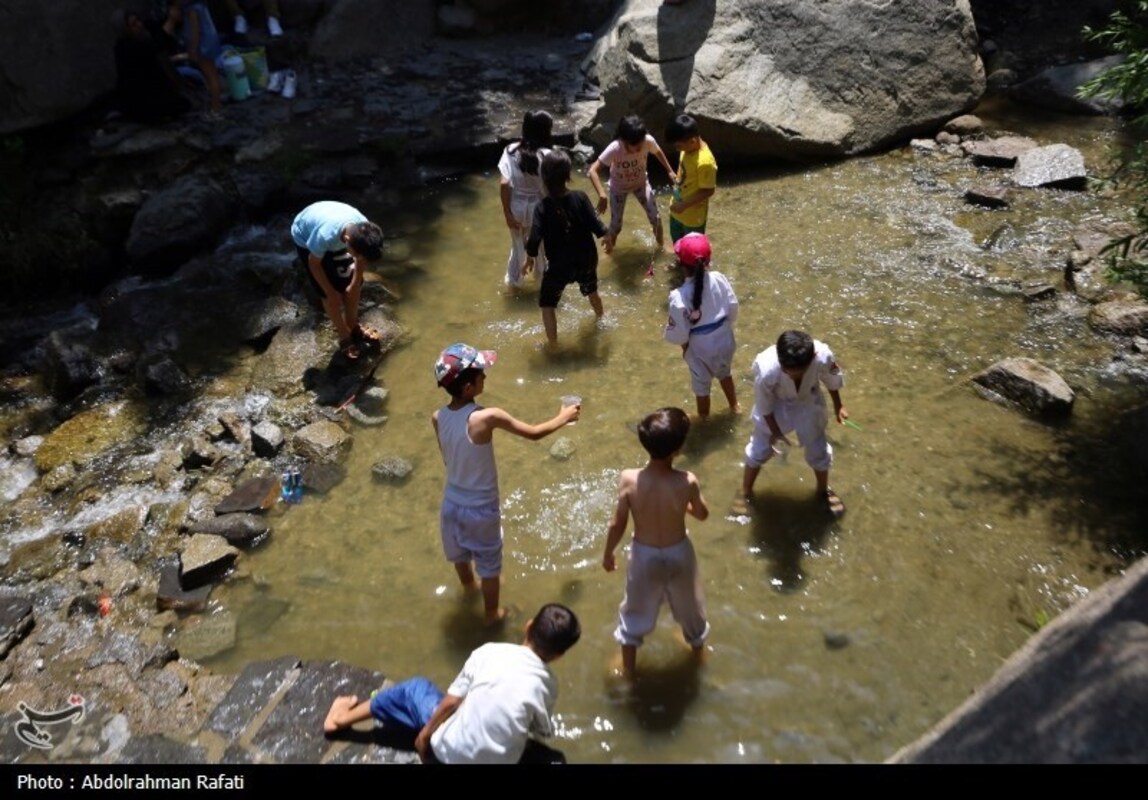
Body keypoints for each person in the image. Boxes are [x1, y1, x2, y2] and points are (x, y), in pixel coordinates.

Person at [431, 344, 580, 624]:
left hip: (451, 504)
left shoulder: (438, 417)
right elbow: (534, 434)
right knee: (489, 567)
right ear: (466, 387)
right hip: (481, 509)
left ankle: (468, 589)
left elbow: (448, 461)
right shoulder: (488, 417)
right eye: (480, 374)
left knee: (460, 555)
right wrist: (563, 417)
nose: (485, 377)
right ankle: (492, 614)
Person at [323, 603, 581, 764]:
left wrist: (424, 737)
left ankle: (340, 719)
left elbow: (451, 701)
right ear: (559, 655)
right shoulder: (549, 684)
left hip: (444, 756)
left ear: (528, 627)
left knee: (416, 688)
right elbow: (540, 730)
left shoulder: (490, 652)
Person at [603, 407, 710, 679]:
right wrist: (682, 506)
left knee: (635, 609)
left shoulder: (629, 479)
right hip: (679, 553)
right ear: (679, 448)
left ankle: (628, 670)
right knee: (690, 606)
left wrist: (608, 553)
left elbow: (617, 523)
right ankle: (698, 656)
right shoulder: (687, 481)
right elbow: (702, 514)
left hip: (644, 555)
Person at [738, 330, 849, 518]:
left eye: (799, 373)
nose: (793, 377)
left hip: (807, 400)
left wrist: (839, 405)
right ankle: (745, 491)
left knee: (818, 449)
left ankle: (823, 491)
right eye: (787, 372)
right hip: (777, 403)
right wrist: (775, 432)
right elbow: (764, 406)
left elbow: (831, 381)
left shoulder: (822, 356)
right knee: (759, 449)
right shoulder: (767, 369)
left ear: (813, 357)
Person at [525, 150, 609, 346]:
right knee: (592, 291)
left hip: (559, 266)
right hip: (586, 259)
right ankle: (601, 320)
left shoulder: (542, 207)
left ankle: (553, 345)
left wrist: (529, 257)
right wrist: (606, 237)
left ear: (543, 177)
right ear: (568, 175)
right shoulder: (580, 197)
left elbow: (535, 237)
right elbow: (596, 224)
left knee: (547, 304)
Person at [290, 201, 385, 361]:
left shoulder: (364, 228)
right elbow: (314, 263)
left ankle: (353, 326)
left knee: (351, 285)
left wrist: (355, 283)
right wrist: (329, 291)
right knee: (329, 293)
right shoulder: (324, 236)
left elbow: (360, 259)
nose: (359, 258)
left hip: (332, 223)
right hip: (305, 236)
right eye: (357, 254)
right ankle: (343, 333)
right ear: (346, 240)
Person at [663, 233, 739, 421]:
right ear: (709, 261)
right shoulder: (719, 278)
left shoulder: (678, 296)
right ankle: (735, 406)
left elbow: (679, 334)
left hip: (700, 349)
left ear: (680, 263)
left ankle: (703, 416)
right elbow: (733, 307)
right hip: (725, 340)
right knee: (725, 373)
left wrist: (686, 348)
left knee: (702, 386)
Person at [586, 115, 675, 253]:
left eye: (641, 144)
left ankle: (661, 247)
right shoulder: (615, 148)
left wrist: (670, 170)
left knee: (656, 218)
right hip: (618, 188)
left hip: (641, 184)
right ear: (624, 140)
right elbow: (592, 170)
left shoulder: (647, 140)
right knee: (616, 226)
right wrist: (601, 194)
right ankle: (609, 253)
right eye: (636, 146)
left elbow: (658, 152)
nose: (640, 148)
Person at [498, 110, 553, 288]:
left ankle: (513, 284)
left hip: (516, 207)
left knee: (517, 248)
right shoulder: (546, 155)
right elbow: (550, 188)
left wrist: (507, 213)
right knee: (541, 248)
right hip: (539, 208)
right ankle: (541, 285)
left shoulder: (510, 150)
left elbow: (505, 184)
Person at [111, 8, 192, 123]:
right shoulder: (125, 48)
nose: (139, 25)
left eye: (138, 20)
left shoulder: (138, 38)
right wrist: (171, 22)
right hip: (141, 100)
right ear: (126, 30)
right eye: (134, 24)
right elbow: (154, 46)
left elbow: (154, 26)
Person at [163, 1, 224, 115]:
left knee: (211, 78)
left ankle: (216, 109)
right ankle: (216, 104)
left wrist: (193, 50)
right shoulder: (200, 5)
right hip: (209, 43)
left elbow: (195, 32)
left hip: (203, 46)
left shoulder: (192, 10)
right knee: (212, 76)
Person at [665, 114, 717, 243]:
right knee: (677, 244)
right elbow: (687, 171)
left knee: (693, 251)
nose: (677, 149)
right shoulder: (688, 148)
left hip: (693, 217)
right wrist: (677, 178)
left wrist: (684, 205)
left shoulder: (705, 162)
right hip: (677, 209)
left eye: (678, 146)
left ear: (692, 141)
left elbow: (708, 190)